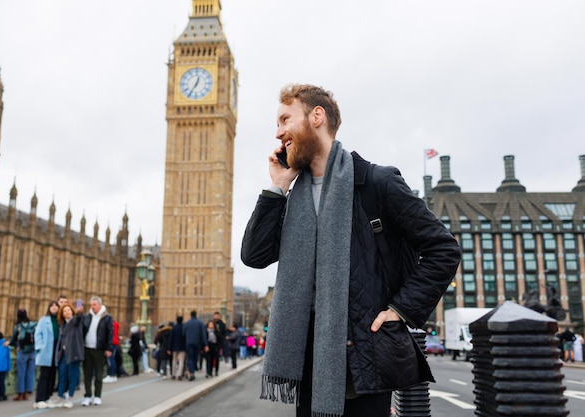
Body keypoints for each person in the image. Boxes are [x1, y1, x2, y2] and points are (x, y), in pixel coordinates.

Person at [241, 84, 461, 417]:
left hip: (364, 362)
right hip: (308, 365)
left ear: (317, 116)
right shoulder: (292, 196)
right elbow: (254, 256)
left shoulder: (375, 182)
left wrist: (399, 310)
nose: (278, 132)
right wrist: (278, 186)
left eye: (285, 119)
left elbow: (443, 249)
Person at [48, 303, 84, 408]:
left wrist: (79, 311)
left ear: (72, 311)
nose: (67, 312)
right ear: (62, 314)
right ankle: (60, 396)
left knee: (72, 376)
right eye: (64, 311)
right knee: (62, 375)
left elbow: (78, 318)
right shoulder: (62, 325)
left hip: (73, 353)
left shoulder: (76, 322)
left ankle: (69, 397)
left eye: (69, 310)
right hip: (63, 354)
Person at [81, 296, 113, 406]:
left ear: (100, 305)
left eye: (94, 305)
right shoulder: (87, 317)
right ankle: (87, 396)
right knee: (87, 374)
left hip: (99, 349)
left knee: (99, 374)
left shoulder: (107, 317)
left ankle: (98, 396)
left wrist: (109, 348)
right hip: (87, 349)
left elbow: (110, 333)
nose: (92, 307)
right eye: (91, 305)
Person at [33, 301, 60, 409]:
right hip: (46, 351)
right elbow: (37, 334)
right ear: (49, 308)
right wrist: (40, 347)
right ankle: (39, 399)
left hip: (55, 352)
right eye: (52, 306)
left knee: (52, 376)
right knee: (44, 375)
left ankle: (47, 397)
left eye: (56, 306)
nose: (54, 307)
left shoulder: (59, 321)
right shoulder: (44, 320)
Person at [6, 308, 37, 401]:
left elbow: (13, 340)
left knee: (21, 373)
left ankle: (20, 393)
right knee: (30, 373)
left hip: (22, 351)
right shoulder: (33, 325)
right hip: (33, 351)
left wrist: (13, 345)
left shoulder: (18, 326)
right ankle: (27, 393)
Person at [182, 310, 208, 381]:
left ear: (190, 315)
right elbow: (203, 334)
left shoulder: (187, 323)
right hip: (197, 343)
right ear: (196, 315)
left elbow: (183, 333)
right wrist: (205, 345)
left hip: (189, 342)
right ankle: (193, 368)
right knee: (195, 357)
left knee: (190, 358)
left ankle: (191, 372)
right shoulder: (200, 323)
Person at [168, 316, 187, 380]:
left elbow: (171, 338)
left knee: (174, 360)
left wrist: (169, 348)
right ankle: (179, 374)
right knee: (181, 361)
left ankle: (173, 374)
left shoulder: (174, 328)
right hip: (182, 346)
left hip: (174, 346)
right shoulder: (184, 327)